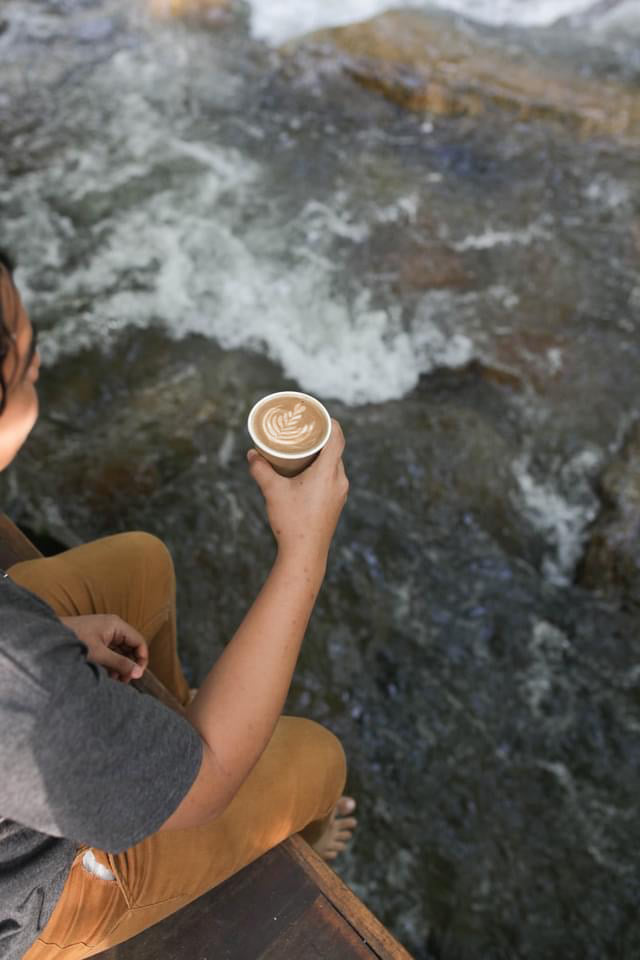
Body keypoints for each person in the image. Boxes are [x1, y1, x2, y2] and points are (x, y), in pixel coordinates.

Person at [0, 249, 357, 960]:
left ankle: (172, 732)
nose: (37, 369)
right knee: (317, 759)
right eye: (24, 361)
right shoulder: (22, 686)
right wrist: (305, 553)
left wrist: (46, 641)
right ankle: (287, 833)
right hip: (32, 889)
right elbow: (208, 788)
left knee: (141, 562)